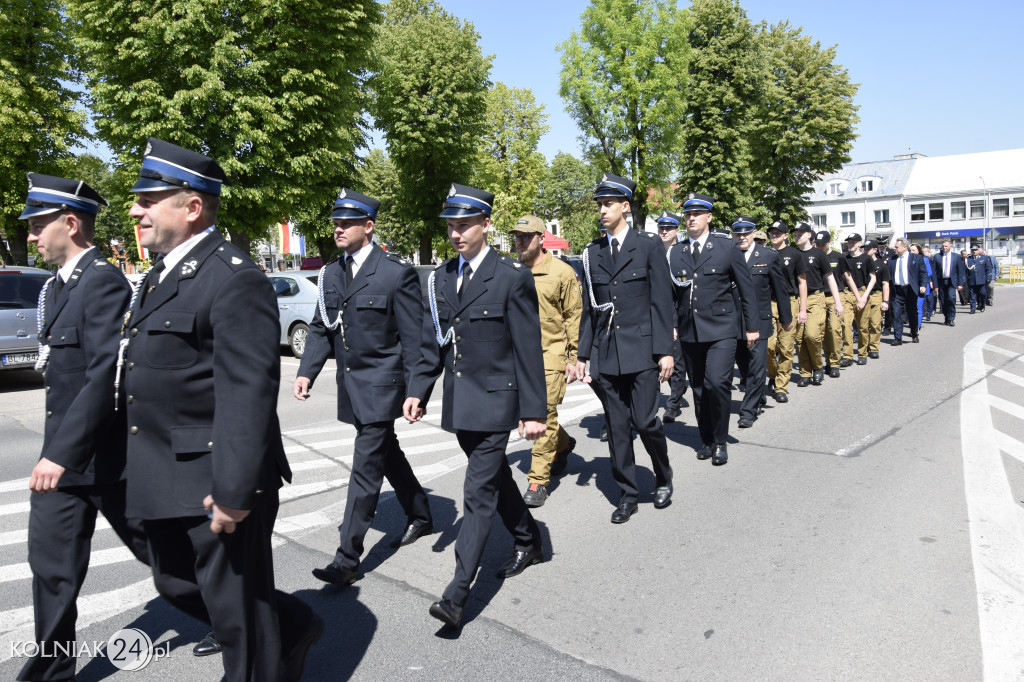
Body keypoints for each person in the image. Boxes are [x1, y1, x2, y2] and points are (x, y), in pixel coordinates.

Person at [121, 138, 321, 680]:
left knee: (241, 629)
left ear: (191, 207)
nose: (135, 208)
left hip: (215, 480)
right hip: (165, 471)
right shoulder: (161, 273)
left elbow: (246, 393)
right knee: (175, 584)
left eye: (148, 197)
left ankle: (276, 640)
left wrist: (234, 493)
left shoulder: (233, 277)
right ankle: (293, 622)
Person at [17, 173, 151, 682]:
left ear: (69, 223)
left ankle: (257, 622)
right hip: (65, 458)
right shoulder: (57, 286)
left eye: (37, 226)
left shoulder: (103, 281)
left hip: (105, 458)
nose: (31, 236)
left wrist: (61, 453)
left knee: (171, 567)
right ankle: (51, 671)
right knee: (50, 565)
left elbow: (105, 376)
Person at [405, 183, 546, 628]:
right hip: (461, 404)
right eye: (451, 225)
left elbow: (527, 347)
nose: (456, 234)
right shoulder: (443, 277)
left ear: (486, 225)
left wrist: (534, 410)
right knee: (497, 478)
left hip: (498, 402)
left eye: (464, 225)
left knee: (477, 493)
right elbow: (434, 345)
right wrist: (418, 390)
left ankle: (457, 593)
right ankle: (529, 537)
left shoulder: (510, 276)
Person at [295, 189, 434, 587]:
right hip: (351, 386)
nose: (338, 228)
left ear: (368, 227)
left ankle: (346, 559)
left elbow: (414, 338)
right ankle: (421, 513)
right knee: (386, 452)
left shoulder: (394, 272)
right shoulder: (331, 273)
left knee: (365, 469)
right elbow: (323, 326)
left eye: (347, 222)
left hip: (382, 386)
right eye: (335, 221)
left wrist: (417, 391)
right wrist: (308, 370)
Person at [575, 174, 674, 522]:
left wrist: (665, 351)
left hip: (643, 350)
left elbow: (662, 302)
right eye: (600, 205)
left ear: (625, 207)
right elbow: (590, 310)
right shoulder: (591, 253)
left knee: (645, 421)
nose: (602, 211)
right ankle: (628, 493)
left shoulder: (647, 247)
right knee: (617, 426)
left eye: (609, 204)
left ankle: (663, 475)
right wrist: (583, 355)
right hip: (607, 353)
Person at [669, 193, 758, 465]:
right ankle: (706, 439)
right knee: (697, 388)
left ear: (709, 217)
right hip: (689, 330)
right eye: (687, 214)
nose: (691, 218)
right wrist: (671, 325)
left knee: (717, 382)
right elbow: (670, 294)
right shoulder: (676, 251)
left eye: (697, 213)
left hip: (722, 328)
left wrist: (752, 327)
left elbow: (746, 289)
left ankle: (720, 441)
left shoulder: (726, 248)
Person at [511, 214, 582, 508]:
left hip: (550, 355)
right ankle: (563, 444)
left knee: (544, 414)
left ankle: (538, 480)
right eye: (517, 236)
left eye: (526, 236)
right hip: (517, 357)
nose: (521, 241)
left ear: (541, 238)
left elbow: (573, 317)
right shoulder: (510, 271)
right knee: (532, 416)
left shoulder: (562, 273)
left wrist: (574, 357)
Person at [729, 216, 790, 429]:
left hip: (760, 320)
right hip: (734, 321)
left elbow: (780, 290)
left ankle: (748, 411)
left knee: (756, 367)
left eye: (746, 232)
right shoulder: (728, 255)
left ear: (754, 233)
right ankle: (757, 396)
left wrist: (786, 318)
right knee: (744, 366)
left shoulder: (768, 255)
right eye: (738, 233)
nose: (742, 237)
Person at [792, 223, 844, 386]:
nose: (797, 235)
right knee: (799, 339)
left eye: (801, 233)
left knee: (812, 335)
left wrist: (837, 302)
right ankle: (805, 373)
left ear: (809, 235)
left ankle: (818, 366)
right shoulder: (792, 254)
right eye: (795, 233)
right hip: (797, 299)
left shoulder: (818, 254)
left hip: (815, 298)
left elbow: (830, 278)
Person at [766, 221, 807, 403]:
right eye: (772, 233)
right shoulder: (764, 253)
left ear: (785, 235)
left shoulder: (794, 254)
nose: (774, 235)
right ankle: (774, 375)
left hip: (790, 302)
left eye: (778, 233)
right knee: (768, 346)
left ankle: (781, 386)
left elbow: (802, 282)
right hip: (768, 303)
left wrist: (803, 308)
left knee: (786, 347)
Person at [656, 210, 688, 422]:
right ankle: (677, 390)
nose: (664, 231)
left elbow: (681, 293)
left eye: (669, 228)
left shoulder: (683, 253)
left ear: (677, 230)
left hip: (678, 314)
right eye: (661, 228)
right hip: (658, 314)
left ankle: (673, 403)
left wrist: (674, 323)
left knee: (676, 361)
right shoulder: (653, 251)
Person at [816, 231, 855, 377]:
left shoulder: (838, 257)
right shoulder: (813, 256)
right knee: (823, 332)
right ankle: (827, 361)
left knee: (834, 330)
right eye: (817, 244)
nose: (819, 246)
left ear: (828, 242)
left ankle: (834, 363)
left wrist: (858, 297)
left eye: (822, 244)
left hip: (835, 296)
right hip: (819, 297)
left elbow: (848, 278)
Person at [843, 234, 877, 365]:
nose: (850, 244)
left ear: (859, 244)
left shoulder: (866, 259)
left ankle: (862, 353)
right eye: (849, 242)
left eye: (853, 242)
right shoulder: (844, 259)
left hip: (862, 292)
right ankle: (847, 355)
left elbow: (873, 278)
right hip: (848, 294)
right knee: (846, 325)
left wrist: (864, 296)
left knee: (862, 327)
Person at [887, 238, 927, 345]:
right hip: (897, 290)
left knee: (912, 313)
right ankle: (898, 338)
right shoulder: (892, 259)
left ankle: (914, 333)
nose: (894, 248)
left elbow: (923, 273)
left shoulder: (916, 258)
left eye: (897, 247)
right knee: (896, 314)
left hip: (910, 289)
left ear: (904, 247)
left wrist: (923, 285)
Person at [865, 240, 890, 360]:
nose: (865, 251)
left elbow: (885, 283)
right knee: (863, 325)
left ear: (875, 250)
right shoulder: (861, 262)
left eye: (868, 249)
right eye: (864, 248)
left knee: (875, 324)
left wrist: (885, 301)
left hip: (876, 295)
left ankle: (874, 347)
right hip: (862, 294)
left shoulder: (881, 264)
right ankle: (864, 346)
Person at [933, 240, 966, 326]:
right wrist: (935, 285)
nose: (944, 248)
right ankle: (946, 317)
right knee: (943, 301)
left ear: (950, 246)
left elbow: (960, 271)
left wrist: (960, 283)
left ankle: (951, 318)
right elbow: (934, 272)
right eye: (943, 246)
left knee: (951, 299)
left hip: (952, 281)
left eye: (946, 246)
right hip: (941, 282)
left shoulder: (956, 257)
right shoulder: (937, 257)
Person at [966, 244, 990, 313]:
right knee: (972, 295)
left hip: (981, 279)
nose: (974, 251)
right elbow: (965, 270)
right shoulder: (968, 259)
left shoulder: (984, 258)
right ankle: (972, 308)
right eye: (972, 250)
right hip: (972, 280)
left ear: (978, 250)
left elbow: (988, 269)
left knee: (983, 293)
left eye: (975, 250)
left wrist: (989, 278)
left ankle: (982, 305)